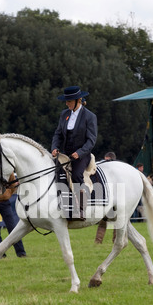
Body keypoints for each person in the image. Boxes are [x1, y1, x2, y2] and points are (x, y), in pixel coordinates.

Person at [51, 85, 97, 220]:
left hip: (82, 155)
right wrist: (54, 147)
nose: (67, 103)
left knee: (76, 175)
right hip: (65, 154)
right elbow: (58, 134)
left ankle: (81, 209)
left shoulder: (90, 116)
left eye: (69, 101)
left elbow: (91, 140)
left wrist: (80, 152)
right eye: (66, 101)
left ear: (78, 100)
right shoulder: (64, 114)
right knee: (53, 172)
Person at [94, 152, 117, 244]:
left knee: (117, 223)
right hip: (107, 199)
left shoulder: (115, 171)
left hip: (114, 199)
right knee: (103, 222)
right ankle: (98, 242)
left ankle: (115, 241)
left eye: (107, 160)